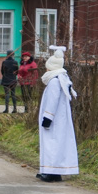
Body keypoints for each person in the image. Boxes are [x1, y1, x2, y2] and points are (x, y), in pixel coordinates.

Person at [36, 46, 78, 182]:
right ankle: (54, 171)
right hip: (60, 119)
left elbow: (52, 102)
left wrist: (47, 118)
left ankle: (50, 172)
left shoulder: (54, 81)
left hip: (54, 120)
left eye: (47, 67)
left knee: (51, 143)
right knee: (57, 143)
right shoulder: (62, 79)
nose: (46, 69)